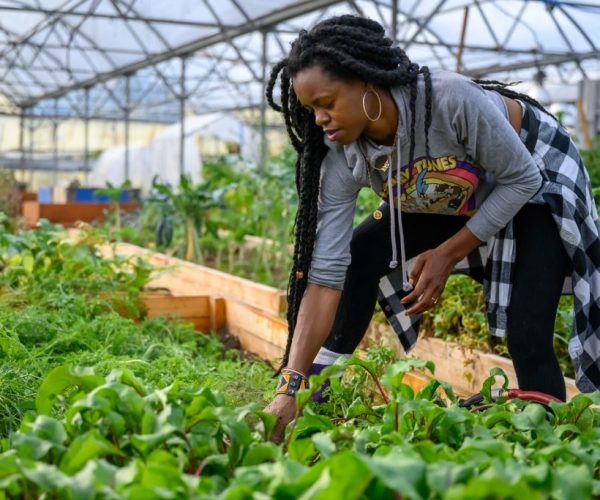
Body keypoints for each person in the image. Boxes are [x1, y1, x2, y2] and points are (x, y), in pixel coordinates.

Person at [263, 14, 600, 442]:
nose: (319, 120)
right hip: (448, 187)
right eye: (311, 109)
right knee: (360, 256)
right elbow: (325, 274)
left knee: (527, 329)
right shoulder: (340, 152)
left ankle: (550, 446)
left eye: (327, 102)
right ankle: (315, 395)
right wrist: (289, 383)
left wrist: (447, 253)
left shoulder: (449, 100)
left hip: (531, 177)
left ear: (366, 83)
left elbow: (522, 179)